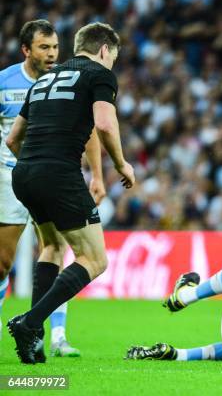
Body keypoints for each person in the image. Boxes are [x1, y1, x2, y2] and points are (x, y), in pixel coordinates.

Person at [5, 22, 135, 364]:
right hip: (58, 174)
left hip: (24, 173)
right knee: (95, 259)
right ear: (105, 50)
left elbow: (12, 139)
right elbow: (105, 124)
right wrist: (122, 165)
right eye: (114, 57)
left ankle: (33, 343)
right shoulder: (99, 74)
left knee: (51, 246)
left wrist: (34, 169)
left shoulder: (46, 78)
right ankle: (30, 323)